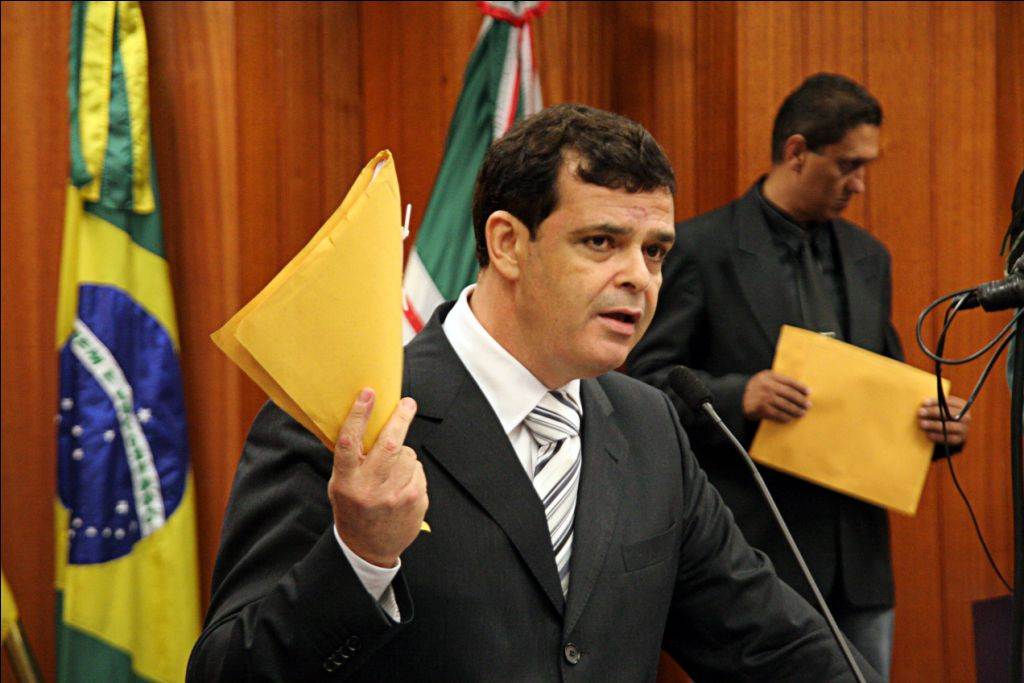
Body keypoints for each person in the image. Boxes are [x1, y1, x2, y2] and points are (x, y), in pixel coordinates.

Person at [188, 103, 879, 681]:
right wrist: (359, 558)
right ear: (508, 244)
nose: (639, 278)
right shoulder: (349, 416)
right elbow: (227, 671)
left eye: (655, 251)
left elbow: (767, 642)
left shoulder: (649, 425)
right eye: (602, 242)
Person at [626, 74, 971, 681]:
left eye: (865, 167)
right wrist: (741, 395)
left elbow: (881, 384)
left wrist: (934, 424)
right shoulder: (703, 249)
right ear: (796, 152)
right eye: (847, 166)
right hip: (757, 556)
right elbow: (641, 387)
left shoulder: (869, 256)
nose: (859, 184)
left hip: (859, 563)